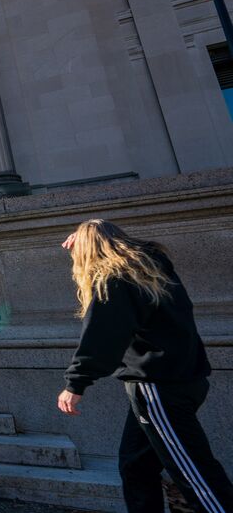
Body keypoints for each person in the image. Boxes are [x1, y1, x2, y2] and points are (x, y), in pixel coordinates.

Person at [58, 219, 232, 513]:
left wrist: (75, 384)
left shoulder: (114, 279)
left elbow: (102, 336)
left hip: (159, 388)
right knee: (135, 465)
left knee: (197, 476)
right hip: (183, 379)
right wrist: (91, 234)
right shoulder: (151, 269)